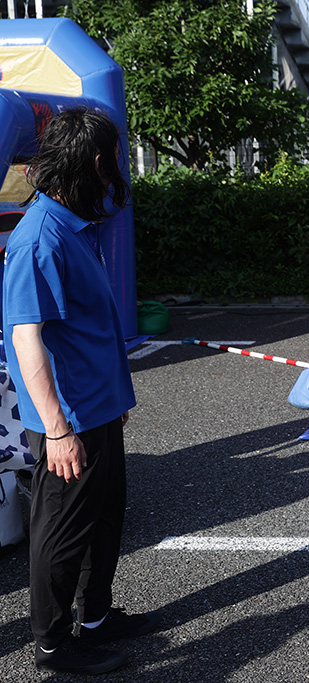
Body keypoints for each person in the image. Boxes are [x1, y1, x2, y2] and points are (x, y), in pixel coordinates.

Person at [2, 107, 159, 675]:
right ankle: (52, 644)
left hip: (99, 409)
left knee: (104, 520)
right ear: (95, 163)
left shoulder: (71, 223)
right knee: (61, 535)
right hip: (69, 421)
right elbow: (27, 340)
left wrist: (110, 403)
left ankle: (95, 618)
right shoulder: (39, 238)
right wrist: (58, 429)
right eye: (113, 159)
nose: (116, 170)